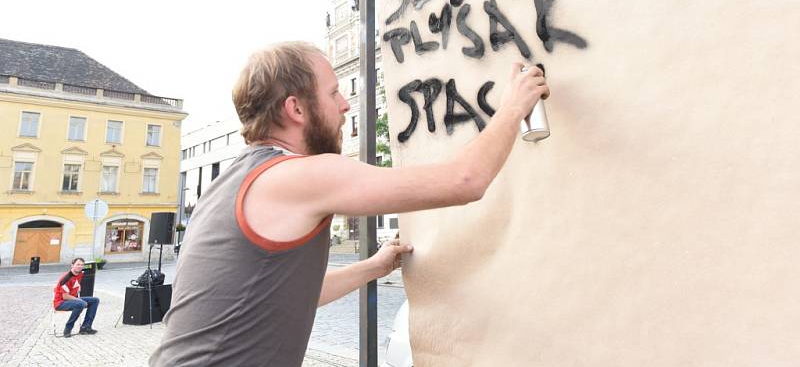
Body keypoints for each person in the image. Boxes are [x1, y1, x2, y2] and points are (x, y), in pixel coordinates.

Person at [151, 42, 549, 366]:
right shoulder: (302, 174)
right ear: (296, 109)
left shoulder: (231, 183)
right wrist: (514, 106)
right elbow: (465, 181)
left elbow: (291, 294)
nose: (345, 105)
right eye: (333, 92)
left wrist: (374, 266)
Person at [53, 257, 100, 337]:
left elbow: (75, 284)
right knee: (81, 304)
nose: (80, 266)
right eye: (78, 264)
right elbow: (65, 296)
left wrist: (78, 288)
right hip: (60, 303)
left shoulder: (80, 274)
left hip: (72, 300)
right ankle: (68, 329)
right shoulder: (66, 278)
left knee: (95, 300)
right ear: (72, 265)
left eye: (82, 265)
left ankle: (86, 327)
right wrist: (79, 300)